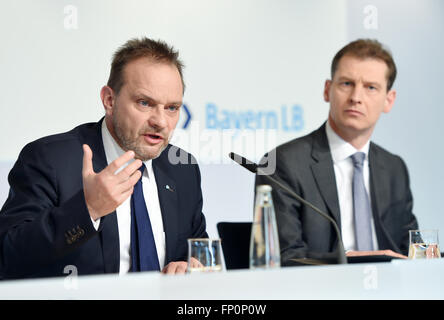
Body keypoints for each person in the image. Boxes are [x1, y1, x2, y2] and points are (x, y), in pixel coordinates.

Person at [0, 37, 208, 279]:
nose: (160, 121)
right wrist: (88, 209)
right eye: (144, 103)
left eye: (172, 108)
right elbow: (8, 257)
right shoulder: (50, 159)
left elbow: (200, 251)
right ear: (109, 100)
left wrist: (191, 267)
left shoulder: (182, 167)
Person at [255, 39, 418, 265]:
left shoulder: (394, 168)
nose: (356, 97)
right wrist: (356, 262)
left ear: (388, 100)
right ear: (327, 90)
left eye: (371, 87)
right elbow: (286, 257)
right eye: (346, 84)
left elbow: (409, 248)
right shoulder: (283, 164)